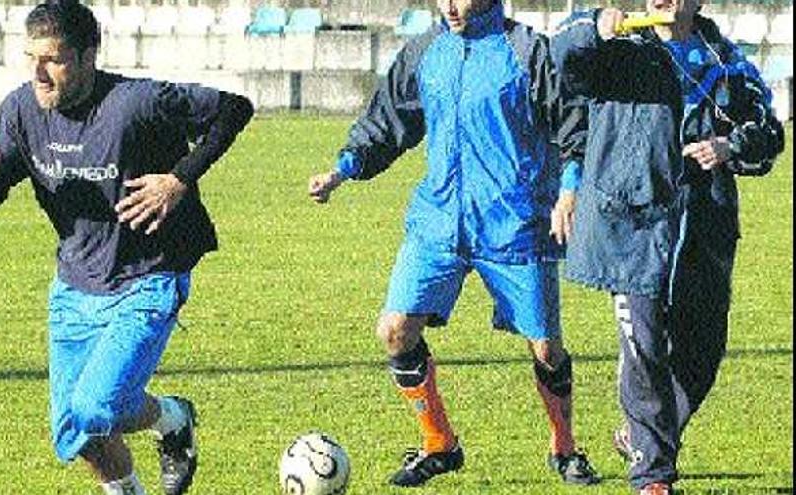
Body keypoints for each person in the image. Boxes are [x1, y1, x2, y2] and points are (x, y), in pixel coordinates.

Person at [0, 1, 254, 494]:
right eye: (30, 57)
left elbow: (233, 109)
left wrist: (178, 179)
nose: (39, 72)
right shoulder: (20, 110)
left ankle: (172, 418)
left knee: (97, 407)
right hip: (75, 286)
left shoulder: (134, 102)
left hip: (148, 277)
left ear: (86, 58)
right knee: (75, 432)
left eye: (52, 59)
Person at [308, 0, 600, 488]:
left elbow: (572, 123)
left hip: (514, 224)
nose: (450, 6)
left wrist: (569, 188)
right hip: (439, 222)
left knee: (547, 349)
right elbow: (388, 120)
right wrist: (343, 169)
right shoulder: (425, 51)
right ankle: (439, 444)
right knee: (395, 331)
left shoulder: (528, 52)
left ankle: (564, 447)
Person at [550, 1, 785, 493]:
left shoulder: (724, 58)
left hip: (705, 224)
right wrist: (592, 28)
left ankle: (639, 435)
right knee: (645, 348)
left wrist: (731, 147)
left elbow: (770, 131)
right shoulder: (617, 49)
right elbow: (563, 60)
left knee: (702, 354)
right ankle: (652, 475)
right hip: (635, 224)